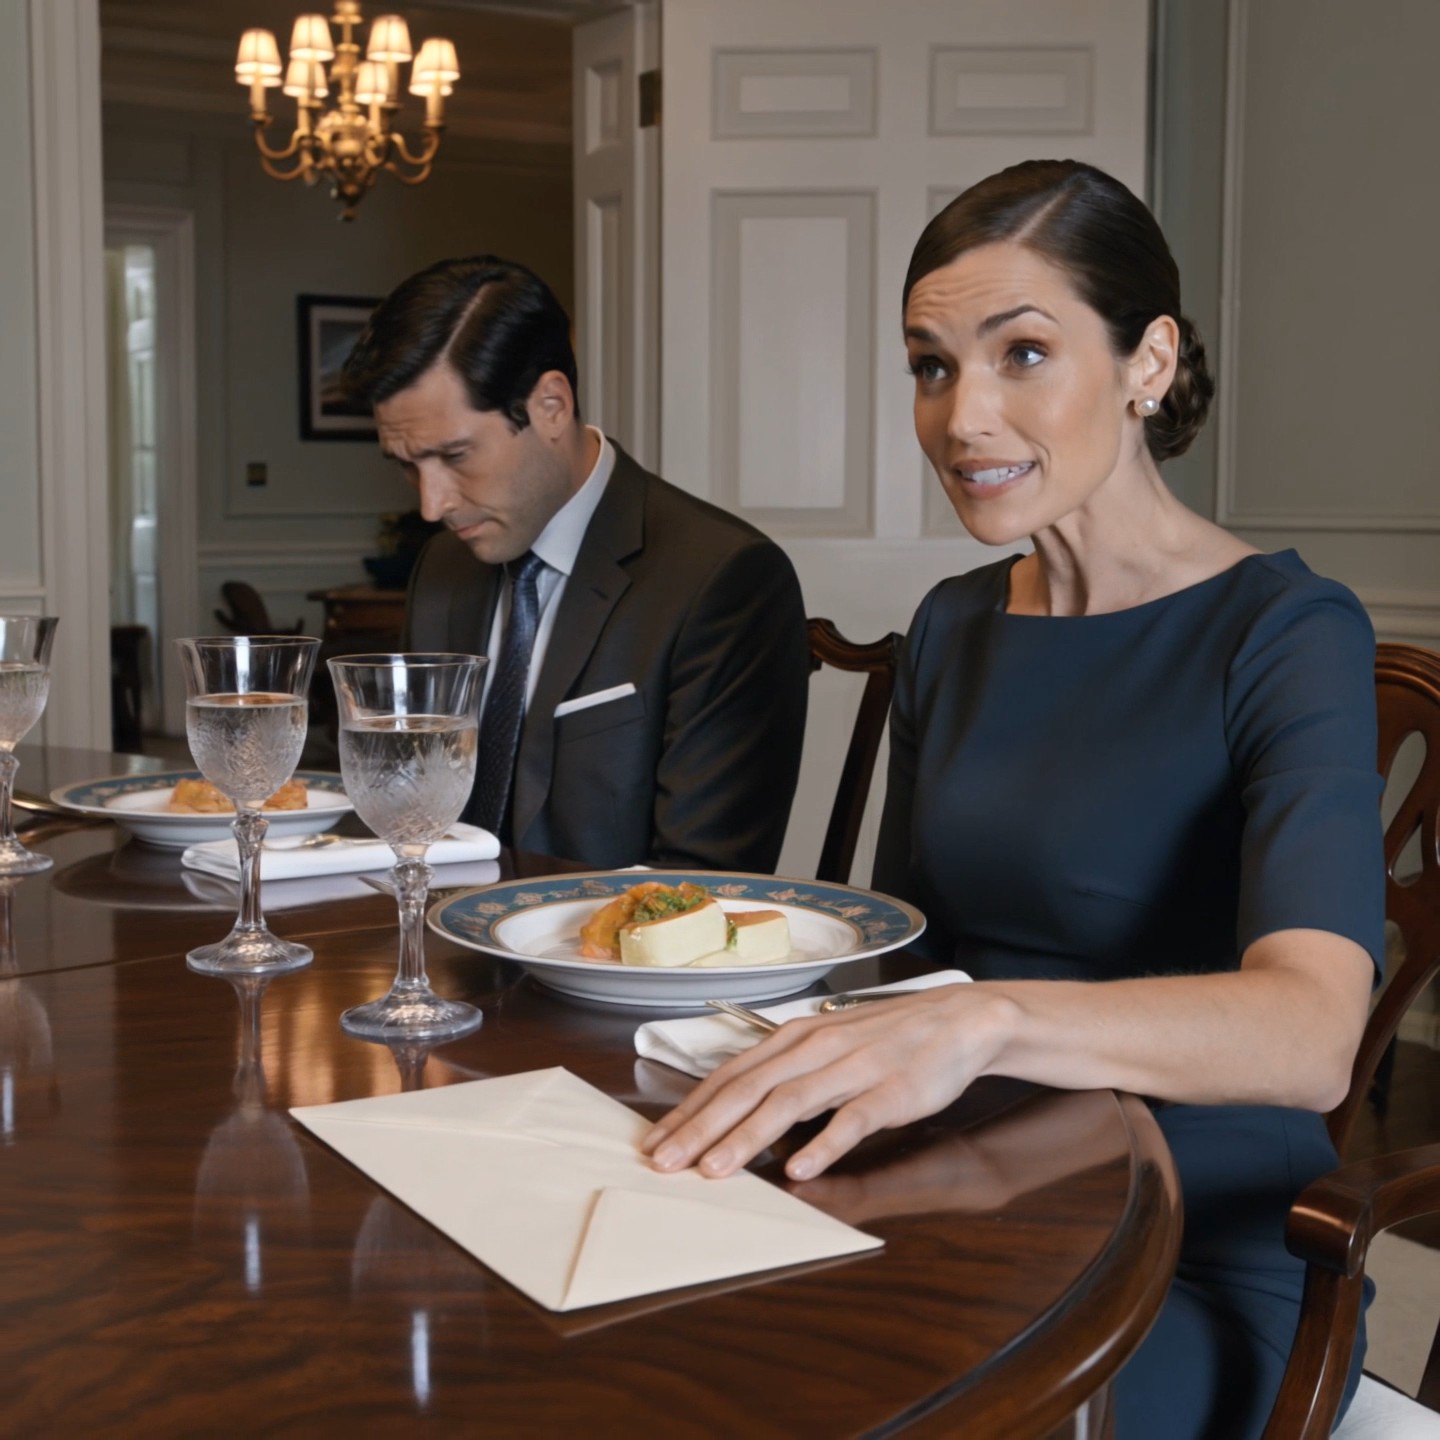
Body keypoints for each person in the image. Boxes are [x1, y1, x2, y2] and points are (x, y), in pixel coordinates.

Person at [643, 160, 1383, 1439]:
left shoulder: (1285, 628)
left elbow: (1310, 1031)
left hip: (1188, 1245)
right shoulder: (956, 623)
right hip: (957, 1183)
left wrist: (986, 1025)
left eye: (1022, 353)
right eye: (932, 365)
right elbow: (909, 959)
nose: (962, 417)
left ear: (1147, 363)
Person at [341, 256, 809, 872]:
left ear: (551, 405)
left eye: (455, 455)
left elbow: (704, 880)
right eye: (406, 464)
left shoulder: (724, 580)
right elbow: (406, 814)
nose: (432, 505)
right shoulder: (444, 570)